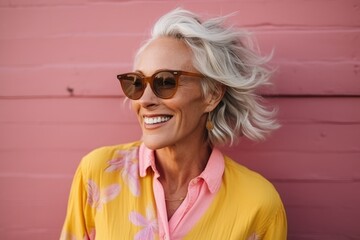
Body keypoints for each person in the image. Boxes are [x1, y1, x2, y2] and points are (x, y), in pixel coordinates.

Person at [61, 8, 287, 240]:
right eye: (137, 83)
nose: (145, 100)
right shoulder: (98, 173)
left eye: (166, 81)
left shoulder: (258, 204)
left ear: (212, 95)